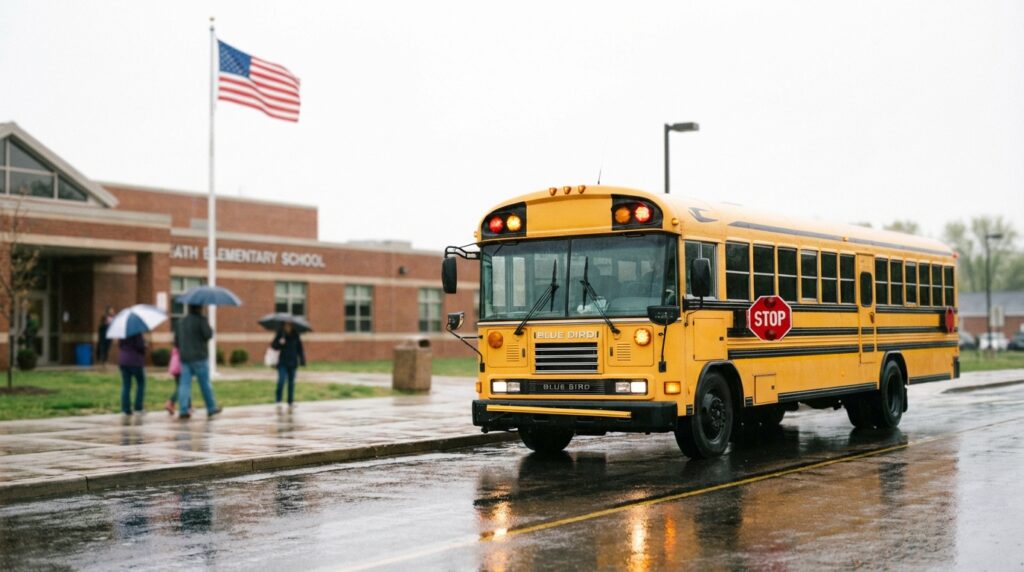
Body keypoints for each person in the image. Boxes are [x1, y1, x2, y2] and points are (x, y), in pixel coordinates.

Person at [175, 305, 221, 419]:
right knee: (205, 384)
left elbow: (176, 341)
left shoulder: (181, 322)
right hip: (199, 357)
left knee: (184, 384)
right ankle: (211, 408)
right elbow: (208, 334)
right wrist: (206, 320)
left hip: (185, 358)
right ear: (200, 308)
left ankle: (183, 410)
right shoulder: (201, 320)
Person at [271, 322, 306, 407]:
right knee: (281, 381)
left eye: (289, 325)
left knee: (291, 383)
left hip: (293, 362)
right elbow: (273, 346)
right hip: (282, 362)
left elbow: (300, 348)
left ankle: (290, 401)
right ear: (284, 325)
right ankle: (278, 400)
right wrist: (280, 342)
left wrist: (302, 359)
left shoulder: (296, 335)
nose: (288, 326)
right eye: (286, 324)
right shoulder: (280, 334)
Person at [118, 333, 147, 415]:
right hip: (135, 361)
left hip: (123, 361)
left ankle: (125, 409)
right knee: (141, 383)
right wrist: (145, 345)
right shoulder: (137, 333)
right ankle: (138, 408)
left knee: (126, 385)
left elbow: (120, 346)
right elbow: (140, 347)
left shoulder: (122, 333)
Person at [164, 346, 183, 415]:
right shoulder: (182, 346)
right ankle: (170, 402)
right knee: (182, 388)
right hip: (180, 369)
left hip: (175, 369)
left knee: (181, 386)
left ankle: (188, 405)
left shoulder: (175, 348)